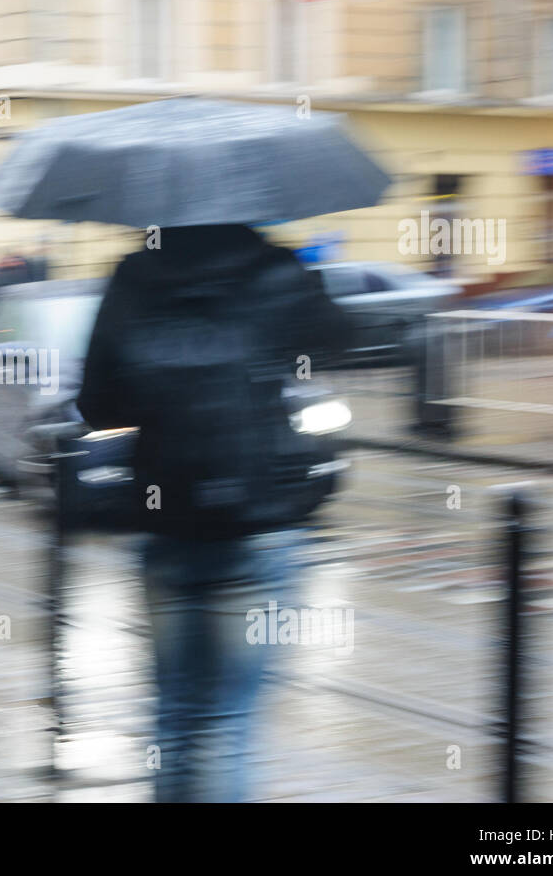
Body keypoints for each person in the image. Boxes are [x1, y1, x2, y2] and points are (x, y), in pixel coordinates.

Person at [77, 223, 349, 802]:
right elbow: (336, 342)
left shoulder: (134, 275)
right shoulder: (274, 269)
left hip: (164, 519)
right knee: (228, 725)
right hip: (261, 522)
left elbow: (96, 404)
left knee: (172, 716)